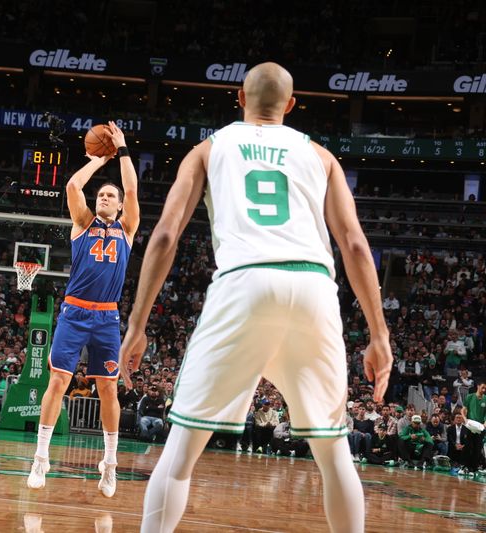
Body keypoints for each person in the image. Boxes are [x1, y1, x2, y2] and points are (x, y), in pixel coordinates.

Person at [118, 62, 392, 532]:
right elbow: (354, 245)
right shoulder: (322, 156)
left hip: (244, 282)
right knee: (334, 452)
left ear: (239, 99)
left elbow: (164, 236)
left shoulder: (208, 149)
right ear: (290, 106)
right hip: (313, 287)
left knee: (181, 450)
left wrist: (137, 325)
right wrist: (379, 334)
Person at [26, 120, 139, 499]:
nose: (105, 197)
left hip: (107, 316)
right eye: (101, 195)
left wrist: (122, 152)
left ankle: (109, 464)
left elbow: (132, 188)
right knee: (57, 381)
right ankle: (41, 457)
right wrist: (96, 158)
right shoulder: (82, 224)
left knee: (109, 388)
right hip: (74, 313)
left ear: (121, 206)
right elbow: (73, 186)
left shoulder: (127, 229)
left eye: (111, 196)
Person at [462, 380, 486, 473]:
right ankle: (465, 466)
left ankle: (474, 468)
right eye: (483, 387)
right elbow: (463, 409)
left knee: (477, 447)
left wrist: (485, 423)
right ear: (478, 386)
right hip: (470, 425)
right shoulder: (469, 397)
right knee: (468, 446)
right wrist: (465, 418)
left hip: (480, 427)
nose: (484, 390)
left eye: (485, 388)